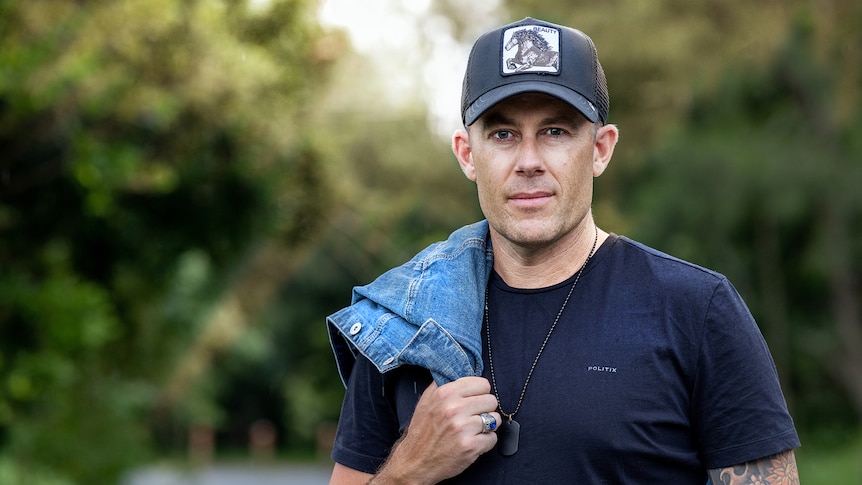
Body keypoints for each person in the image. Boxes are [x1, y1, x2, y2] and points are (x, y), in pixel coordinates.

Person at [326, 17, 800, 484]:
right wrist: (406, 473)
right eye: (503, 134)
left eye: (556, 131)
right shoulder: (399, 325)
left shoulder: (697, 310)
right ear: (467, 154)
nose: (529, 161)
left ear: (600, 148)